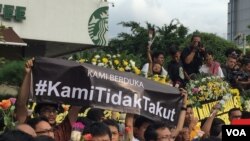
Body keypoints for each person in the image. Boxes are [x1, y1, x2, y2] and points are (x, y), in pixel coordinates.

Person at [15, 58, 82, 141]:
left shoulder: (61, 131)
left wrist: (80, 75)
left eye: (54, 111)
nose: (51, 114)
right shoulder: (29, 129)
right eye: (47, 110)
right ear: (37, 114)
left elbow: (76, 108)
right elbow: (21, 104)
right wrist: (28, 74)